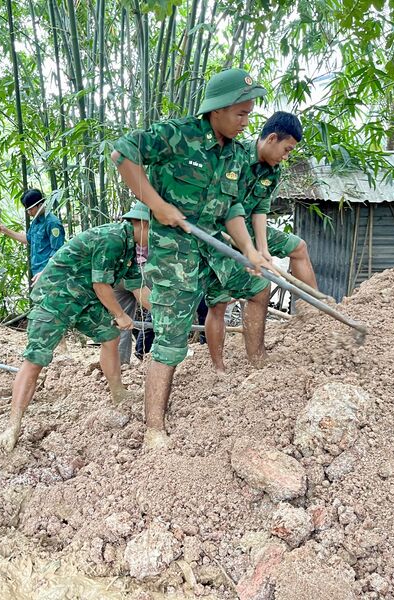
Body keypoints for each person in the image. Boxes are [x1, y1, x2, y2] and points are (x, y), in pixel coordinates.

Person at [111, 68, 270, 449]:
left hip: (213, 246)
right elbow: (122, 152)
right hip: (174, 252)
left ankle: (258, 363)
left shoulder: (234, 154)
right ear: (216, 110)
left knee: (259, 288)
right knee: (171, 339)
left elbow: (232, 207)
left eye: (250, 114)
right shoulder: (178, 135)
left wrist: (249, 249)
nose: (246, 123)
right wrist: (156, 203)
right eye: (241, 114)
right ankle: (153, 429)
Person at [0, 202, 152, 451]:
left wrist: (165, 314)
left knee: (109, 337)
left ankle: (118, 393)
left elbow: (137, 287)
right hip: (55, 296)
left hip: (84, 298)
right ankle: (12, 426)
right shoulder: (112, 239)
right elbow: (102, 286)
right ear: (140, 224)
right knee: (36, 359)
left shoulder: (131, 247)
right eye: (154, 230)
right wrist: (121, 315)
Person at [205, 111, 318, 373]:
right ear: (272, 138)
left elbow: (260, 209)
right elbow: (221, 209)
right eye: (286, 149)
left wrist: (264, 250)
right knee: (220, 302)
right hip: (217, 233)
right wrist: (248, 249)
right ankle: (219, 368)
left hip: (249, 228)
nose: (286, 156)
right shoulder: (234, 156)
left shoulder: (273, 170)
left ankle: (313, 316)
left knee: (298, 247)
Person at [0, 188, 65, 286]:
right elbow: (28, 239)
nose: (29, 212)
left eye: (30, 209)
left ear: (40, 205)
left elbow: (57, 252)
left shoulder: (52, 223)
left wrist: (44, 272)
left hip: (50, 274)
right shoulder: (35, 222)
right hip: (37, 273)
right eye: (27, 209)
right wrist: (5, 230)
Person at [112, 202, 151, 365]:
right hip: (139, 275)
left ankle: (120, 363)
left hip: (121, 276)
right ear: (144, 224)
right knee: (159, 309)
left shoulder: (120, 234)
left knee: (121, 317)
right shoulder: (115, 237)